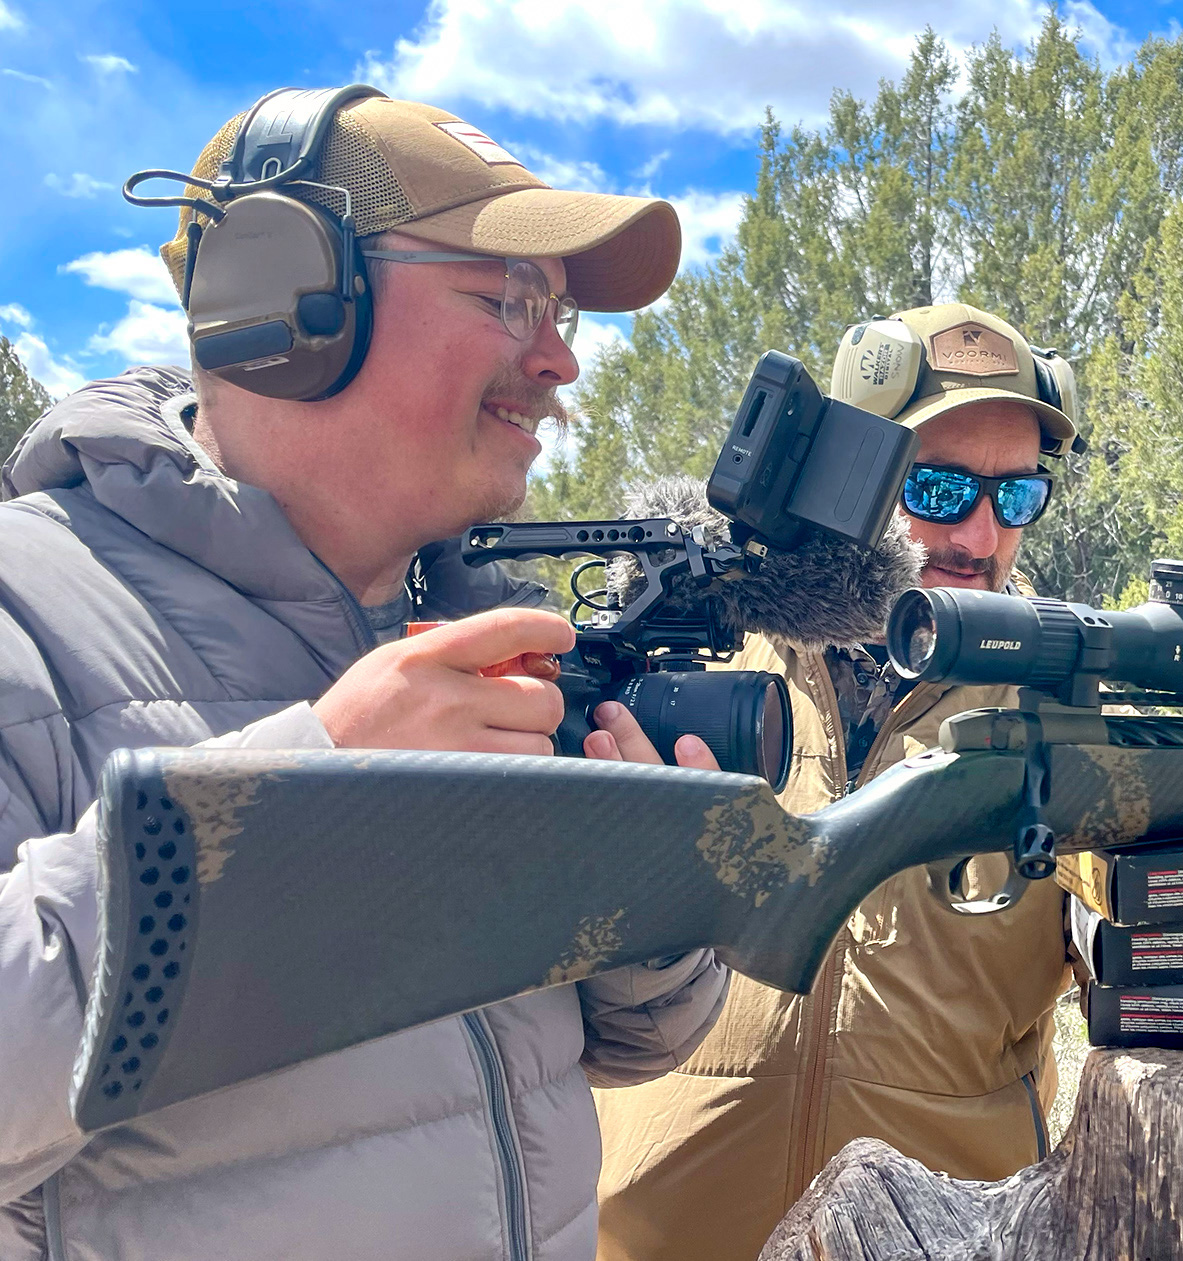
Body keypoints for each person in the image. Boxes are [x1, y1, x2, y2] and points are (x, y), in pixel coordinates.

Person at [590, 303, 1183, 1261]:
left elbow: (1159, 957)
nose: (983, 532)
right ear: (846, 476)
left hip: (931, 1238)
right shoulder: (684, 650)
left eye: (1019, 496)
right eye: (940, 487)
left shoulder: (1079, 711)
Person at [0, 90, 728, 1259]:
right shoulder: (22, 613)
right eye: (514, 299)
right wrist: (308, 799)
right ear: (284, 299)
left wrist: (647, 904)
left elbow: (633, 1045)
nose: (560, 361)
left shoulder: (487, 628)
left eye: (561, 313)